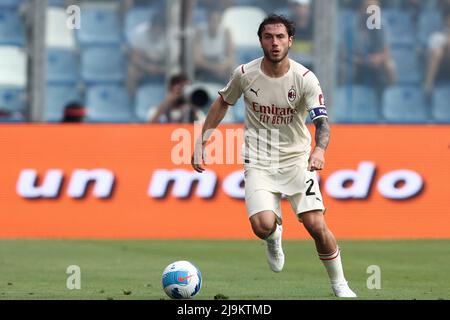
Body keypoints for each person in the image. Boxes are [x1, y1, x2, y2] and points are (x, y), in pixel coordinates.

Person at [191, 14, 357, 298]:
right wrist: (202, 140)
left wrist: (319, 149)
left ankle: (340, 284)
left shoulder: (305, 79)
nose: (275, 42)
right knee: (262, 225)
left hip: (297, 160)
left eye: (280, 37)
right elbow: (222, 102)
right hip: (259, 160)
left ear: (290, 41)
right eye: (269, 37)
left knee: (316, 225)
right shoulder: (245, 74)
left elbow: (322, 123)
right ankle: (273, 237)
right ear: (260, 41)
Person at [339, 0, 396, 96]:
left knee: (390, 66)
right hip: (356, 62)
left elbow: (387, 53)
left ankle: (390, 99)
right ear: (361, 9)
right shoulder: (351, 26)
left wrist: (378, 58)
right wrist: (361, 60)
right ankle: (342, 98)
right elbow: (343, 53)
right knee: (343, 69)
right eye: (369, 8)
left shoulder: (382, 25)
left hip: (376, 63)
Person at [127, 12, 167, 95]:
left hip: (162, 65)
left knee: (177, 74)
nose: (157, 31)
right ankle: (133, 100)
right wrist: (147, 67)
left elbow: (173, 59)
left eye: (160, 29)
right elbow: (135, 58)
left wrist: (161, 68)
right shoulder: (139, 33)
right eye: (156, 28)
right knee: (132, 72)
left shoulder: (171, 36)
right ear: (151, 26)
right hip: (143, 65)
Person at [194, 8, 235, 83]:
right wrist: (214, 68)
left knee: (233, 68)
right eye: (212, 20)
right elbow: (197, 60)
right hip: (204, 66)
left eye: (218, 21)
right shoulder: (200, 32)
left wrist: (222, 67)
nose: (215, 24)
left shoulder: (226, 32)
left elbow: (231, 58)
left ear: (221, 21)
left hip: (220, 64)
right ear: (207, 20)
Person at [424, 9, 450, 95]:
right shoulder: (437, 36)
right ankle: (428, 85)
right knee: (437, 53)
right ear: (445, 20)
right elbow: (430, 55)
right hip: (440, 69)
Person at [288, 0, 314, 70]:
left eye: (304, 7)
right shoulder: (287, 26)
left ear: (309, 8)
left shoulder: (317, 26)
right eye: (299, 6)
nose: (301, 10)